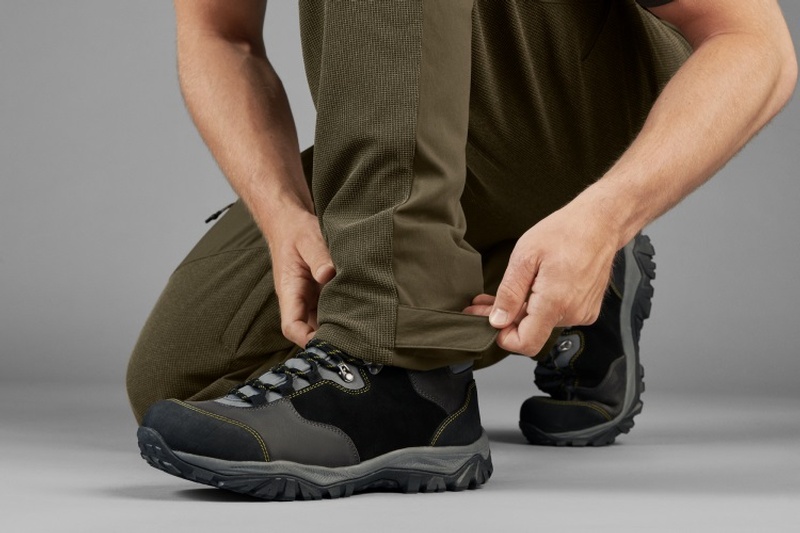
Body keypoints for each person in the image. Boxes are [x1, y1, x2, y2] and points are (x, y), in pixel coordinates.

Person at [128, 0, 796, 500]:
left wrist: (607, 216)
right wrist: (283, 212)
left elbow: (755, 43)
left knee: (355, 348)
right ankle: (559, 279)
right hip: (406, 122)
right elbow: (221, 34)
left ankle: (403, 373)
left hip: (588, 97)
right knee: (179, 380)